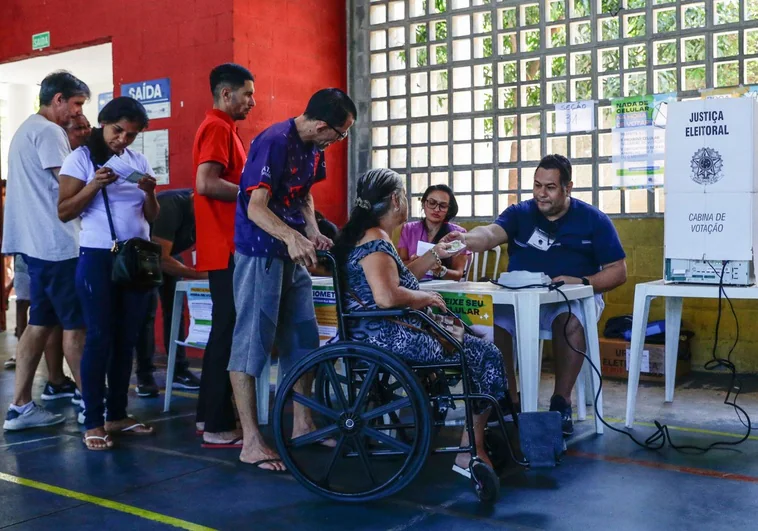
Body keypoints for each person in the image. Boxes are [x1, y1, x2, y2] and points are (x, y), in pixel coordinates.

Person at [332, 168, 508, 477]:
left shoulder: (368, 237)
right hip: (385, 335)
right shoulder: (377, 240)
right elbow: (387, 296)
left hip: (372, 330)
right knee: (486, 354)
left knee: (471, 342)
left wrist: (433, 257)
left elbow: (398, 279)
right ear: (397, 200)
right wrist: (426, 298)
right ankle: (472, 450)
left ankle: (467, 434)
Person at [442, 154, 627, 436]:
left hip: (569, 299)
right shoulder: (520, 213)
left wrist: (584, 281)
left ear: (568, 187)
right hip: (520, 300)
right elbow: (490, 234)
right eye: (537, 185)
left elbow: (618, 271)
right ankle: (507, 399)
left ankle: (560, 403)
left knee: (569, 321)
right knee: (492, 322)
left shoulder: (594, 220)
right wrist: (465, 239)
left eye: (550, 187)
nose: (541, 193)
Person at [230, 88, 355, 471]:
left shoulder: (315, 148)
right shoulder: (273, 142)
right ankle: (251, 441)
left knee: (303, 338)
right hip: (260, 253)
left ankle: (303, 423)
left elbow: (304, 196)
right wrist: (291, 236)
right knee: (252, 343)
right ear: (322, 126)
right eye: (340, 133)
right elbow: (255, 208)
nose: (339, 141)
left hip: (293, 252)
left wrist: (312, 230)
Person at [58, 96, 159, 450]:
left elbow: (151, 216)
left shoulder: (137, 160)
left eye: (131, 135)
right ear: (104, 122)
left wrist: (150, 193)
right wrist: (94, 185)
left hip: (135, 259)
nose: (123, 140)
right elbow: (65, 211)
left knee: (126, 338)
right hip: (99, 257)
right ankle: (93, 421)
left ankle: (117, 414)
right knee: (99, 337)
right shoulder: (80, 158)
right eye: (118, 131)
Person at [2, 71, 90, 431]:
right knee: (76, 327)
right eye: (76, 104)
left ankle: (20, 406)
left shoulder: (25, 129)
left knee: (38, 324)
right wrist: (101, 182)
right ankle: (92, 405)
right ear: (58, 100)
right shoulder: (50, 132)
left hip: (37, 246)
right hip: (57, 247)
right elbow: (69, 187)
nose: (77, 112)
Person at [193, 63, 255, 447]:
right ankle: (217, 425)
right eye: (247, 94)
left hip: (226, 245)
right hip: (226, 246)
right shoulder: (217, 127)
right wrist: (253, 195)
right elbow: (205, 182)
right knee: (227, 334)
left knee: (223, 332)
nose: (252, 101)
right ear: (225, 93)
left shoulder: (225, 129)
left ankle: (206, 417)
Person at [134, 188, 205, 397]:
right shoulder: (171, 206)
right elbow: (160, 258)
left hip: (170, 255)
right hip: (146, 256)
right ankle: (144, 376)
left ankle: (179, 371)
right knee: (147, 315)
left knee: (174, 312)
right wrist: (199, 275)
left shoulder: (209, 214)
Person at [397, 184, 470, 281]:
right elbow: (399, 266)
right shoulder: (408, 229)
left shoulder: (457, 233)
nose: (436, 209)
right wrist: (415, 262)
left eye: (443, 206)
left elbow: (458, 274)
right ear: (423, 203)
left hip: (444, 289)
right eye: (432, 203)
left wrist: (440, 270)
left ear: (448, 210)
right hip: (414, 286)